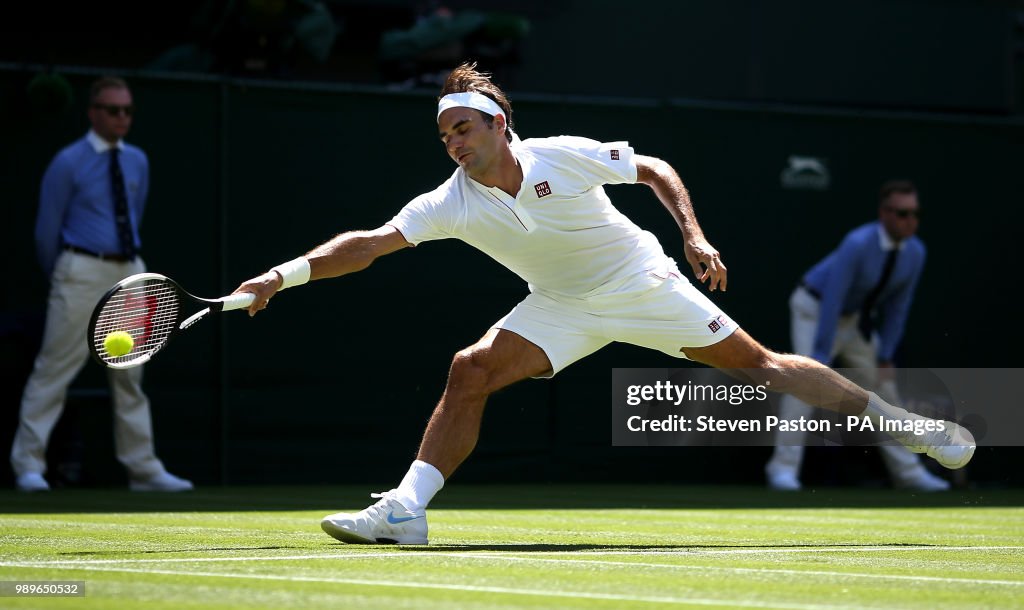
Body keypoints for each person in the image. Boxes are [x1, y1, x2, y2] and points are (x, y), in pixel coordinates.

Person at [233, 62, 973, 544]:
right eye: (443, 133)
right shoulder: (449, 202)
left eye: (463, 126)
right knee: (470, 369)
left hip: (643, 285)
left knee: (766, 369)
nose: (452, 141)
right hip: (560, 302)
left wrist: (692, 233)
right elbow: (365, 244)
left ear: (498, 123)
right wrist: (278, 275)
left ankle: (908, 428)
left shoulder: (560, 154)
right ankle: (407, 509)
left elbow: (651, 166)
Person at [10, 76, 193, 493]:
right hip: (79, 270)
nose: (122, 118)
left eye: (128, 111)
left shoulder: (138, 161)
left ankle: (143, 469)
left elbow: (136, 210)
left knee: (131, 374)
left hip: (129, 270)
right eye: (113, 110)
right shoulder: (67, 162)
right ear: (93, 112)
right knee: (53, 370)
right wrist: (64, 273)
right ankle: (28, 467)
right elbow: (46, 230)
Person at [764, 181, 948, 492]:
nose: (910, 221)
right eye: (903, 213)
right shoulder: (858, 242)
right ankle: (781, 470)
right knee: (802, 385)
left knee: (885, 391)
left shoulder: (916, 252)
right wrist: (820, 357)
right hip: (815, 309)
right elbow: (834, 297)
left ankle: (909, 473)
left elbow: (898, 307)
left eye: (915, 214)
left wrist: (886, 354)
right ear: (884, 214)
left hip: (853, 322)